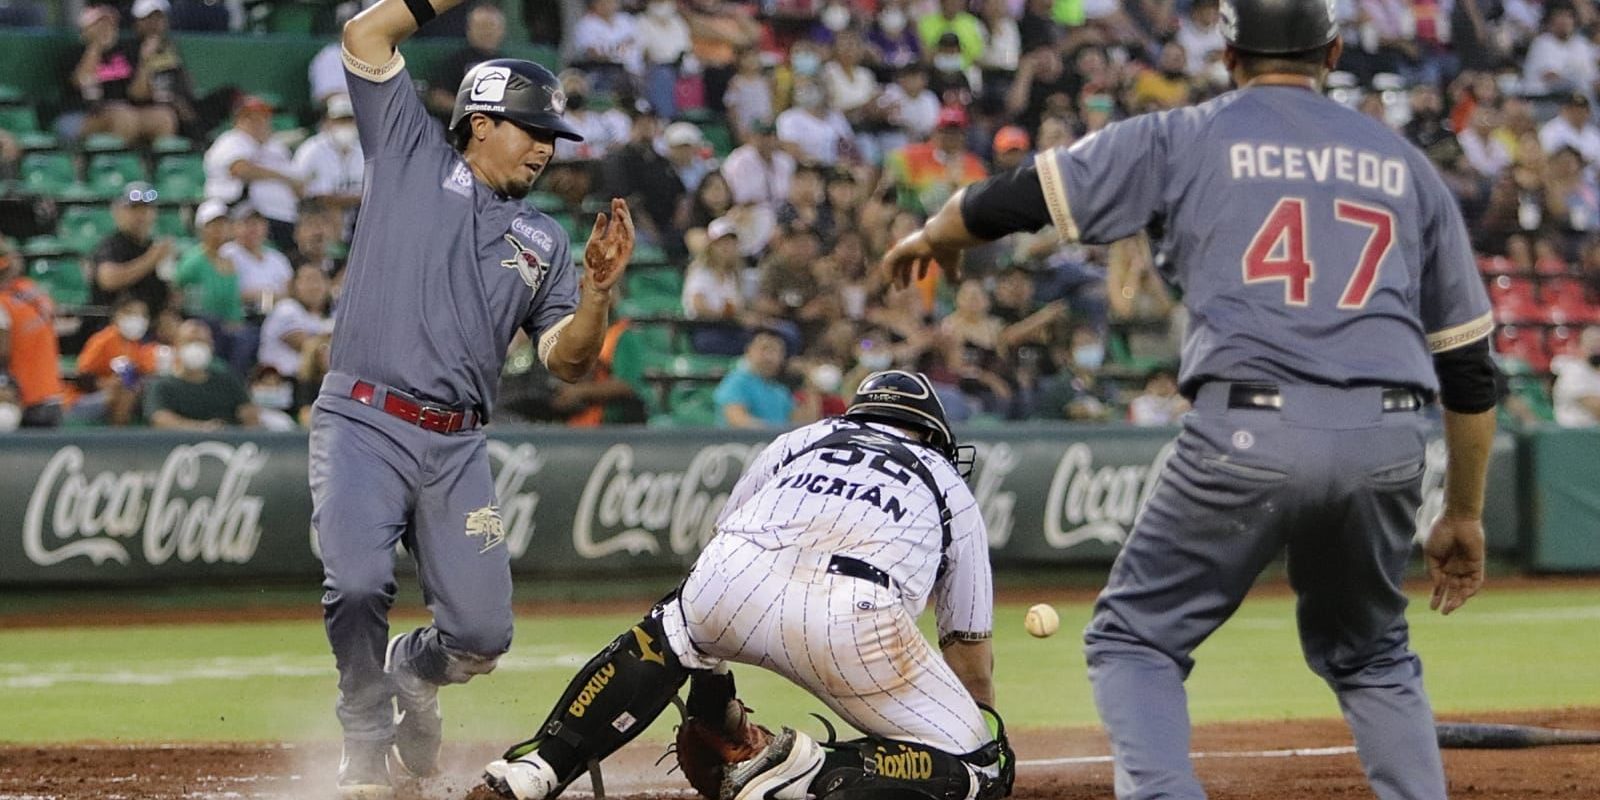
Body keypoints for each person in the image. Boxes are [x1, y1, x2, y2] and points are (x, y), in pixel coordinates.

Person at [880, 0, 1501, 795]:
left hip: (1249, 426)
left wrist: (939, 233)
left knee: (1135, 639)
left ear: (1229, 53)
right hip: (1387, 436)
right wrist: (1465, 512)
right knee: (1374, 654)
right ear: (1336, 51)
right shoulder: (1407, 166)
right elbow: (1471, 366)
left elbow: (1027, 194)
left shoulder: (1186, 133)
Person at [325, 0, 637, 796]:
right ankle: (363, 740)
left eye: (551, 137)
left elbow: (566, 361)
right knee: (358, 585)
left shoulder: (544, 239)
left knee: (480, 635)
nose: (544, 149)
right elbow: (365, 34)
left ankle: (412, 671)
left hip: (456, 444)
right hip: (365, 417)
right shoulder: (407, 155)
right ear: (478, 121)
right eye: (530, 130)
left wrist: (598, 295)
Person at [480, 370, 1014, 800]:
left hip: (733, 574)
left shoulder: (803, 438)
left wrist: (712, 697)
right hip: (855, 611)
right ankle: (803, 770)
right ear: (930, 434)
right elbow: (969, 660)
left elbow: (723, 547)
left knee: (673, 629)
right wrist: (958, 728)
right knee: (985, 763)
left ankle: (538, 767)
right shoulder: (948, 484)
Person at [204, 96, 302, 252]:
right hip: (245, 216)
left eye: (263, 117)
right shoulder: (231, 140)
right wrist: (284, 178)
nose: (259, 122)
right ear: (238, 120)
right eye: (250, 117)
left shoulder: (276, 147)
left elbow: (299, 183)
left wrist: (293, 184)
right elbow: (241, 169)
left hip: (286, 217)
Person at [69, 4, 177, 145]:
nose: (106, 29)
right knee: (123, 116)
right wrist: (96, 47)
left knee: (163, 117)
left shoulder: (125, 53)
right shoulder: (75, 53)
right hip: (82, 114)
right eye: (99, 24)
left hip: (126, 111)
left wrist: (145, 62)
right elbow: (80, 81)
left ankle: (154, 165)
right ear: (86, 29)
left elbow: (138, 94)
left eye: (110, 24)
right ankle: (110, 164)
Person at [144, 319, 260, 430]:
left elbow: (250, 417)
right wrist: (202, 428)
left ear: (211, 346)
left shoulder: (228, 381)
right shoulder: (161, 385)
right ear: (176, 346)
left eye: (201, 342)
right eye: (190, 341)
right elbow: (161, 420)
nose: (196, 347)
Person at [0, 239, 66, 427]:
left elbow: (2, 353)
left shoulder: (2, 304)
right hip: (51, 395)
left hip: (24, 402)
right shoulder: (31, 289)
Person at [70, 296, 163, 426]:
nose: (137, 318)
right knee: (122, 392)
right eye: (130, 312)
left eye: (143, 315)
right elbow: (81, 378)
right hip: (80, 400)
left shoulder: (137, 346)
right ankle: (118, 437)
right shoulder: (103, 341)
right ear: (116, 316)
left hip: (124, 396)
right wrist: (107, 384)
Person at [92, 181, 175, 319]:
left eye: (146, 209)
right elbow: (108, 279)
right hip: (115, 322)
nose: (141, 215)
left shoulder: (152, 245)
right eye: (134, 209)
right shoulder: (112, 245)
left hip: (152, 321)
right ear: (119, 212)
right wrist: (151, 259)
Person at [713, 327, 819, 428]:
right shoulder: (735, 382)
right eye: (764, 348)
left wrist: (810, 383)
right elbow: (737, 420)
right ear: (749, 351)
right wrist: (776, 434)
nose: (769, 356)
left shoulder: (780, 391)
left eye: (776, 351)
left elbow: (803, 424)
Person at [293, 93, 366, 227]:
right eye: (340, 120)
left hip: (359, 215)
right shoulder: (311, 150)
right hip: (319, 215)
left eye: (349, 120)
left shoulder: (364, 150)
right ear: (328, 121)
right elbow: (298, 188)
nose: (345, 125)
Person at [425, 3, 506, 117]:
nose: (486, 32)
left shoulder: (509, 65)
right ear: (469, 30)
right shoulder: (455, 61)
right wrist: (468, 109)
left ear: (501, 31)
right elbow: (436, 97)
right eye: (481, 26)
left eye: (491, 26)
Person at [258, 264, 335, 380]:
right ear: (294, 286)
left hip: (316, 382)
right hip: (282, 381)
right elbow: (307, 347)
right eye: (308, 280)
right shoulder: (286, 308)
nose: (314, 286)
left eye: (319, 280)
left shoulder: (331, 316)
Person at [220, 204, 293, 315]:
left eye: (257, 223)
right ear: (234, 227)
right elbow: (229, 293)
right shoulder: (227, 253)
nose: (253, 228)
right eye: (246, 223)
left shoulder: (278, 258)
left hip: (277, 315)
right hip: (243, 315)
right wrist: (269, 297)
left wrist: (262, 296)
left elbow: (290, 293)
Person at [1552, 325, 1600, 427]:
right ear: (1580, 346)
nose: (1597, 346)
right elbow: (1597, 408)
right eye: (1592, 342)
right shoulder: (1572, 371)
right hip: (1574, 436)